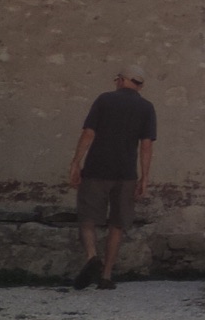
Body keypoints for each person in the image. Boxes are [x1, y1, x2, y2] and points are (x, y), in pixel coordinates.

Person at [67, 64, 157, 289]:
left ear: (121, 80)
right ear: (140, 85)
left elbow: (89, 133)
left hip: (97, 168)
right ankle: (106, 276)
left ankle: (91, 257)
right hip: (126, 173)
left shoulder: (104, 100)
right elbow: (146, 146)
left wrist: (76, 162)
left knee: (88, 218)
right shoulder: (147, 108)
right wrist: (144, 178)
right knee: (118, 224)